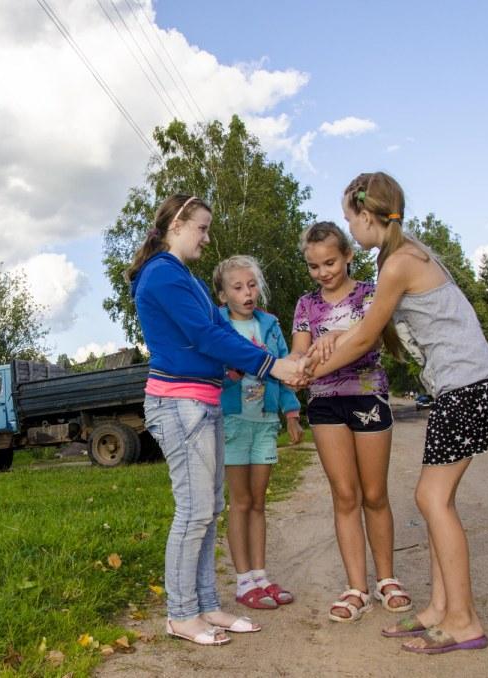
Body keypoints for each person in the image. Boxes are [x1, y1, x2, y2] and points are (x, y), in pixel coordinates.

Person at [307, 172, 488, 654]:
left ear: (367, 216)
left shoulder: (397, 264)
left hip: (467, 385)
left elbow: (366, 337)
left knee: (432, 499)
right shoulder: (404, 254)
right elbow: (365, 327)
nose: (351, 227)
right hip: (463, 386)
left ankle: (464, 620)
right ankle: (439, 610)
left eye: (350, 218)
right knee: (435, 499)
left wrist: (308, 372)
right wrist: (329, 341)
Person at [129, 194, 305, 646]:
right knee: (192, 511)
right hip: (179, 403)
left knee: (210, 509)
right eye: (202, 228)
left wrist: (261, 361)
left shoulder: (182, 276)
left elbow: (221, 332)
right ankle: (181, 613)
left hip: (203, 400)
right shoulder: (163, 274)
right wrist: (270, 367)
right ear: (178, 225)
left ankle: (206, 604)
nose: (207, 238)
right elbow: (203, 334)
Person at [291, 222, 412, 624]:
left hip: (367, 395)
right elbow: (300, 357)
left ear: (347, 256)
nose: (323, 272)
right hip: (325, 403)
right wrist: (303, 358)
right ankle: (356, 587)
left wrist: (339, 334)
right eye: (314, 266)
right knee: (345, 495)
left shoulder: (369, 293)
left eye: (330, 262)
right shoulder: (306, 305)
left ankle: (387, 579)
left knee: (374, 494)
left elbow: (373, 337)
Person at [212, 255, 302, 611]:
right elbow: (208, 367)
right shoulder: (216, 325)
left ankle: (261, 576)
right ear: (223, 295)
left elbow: (285, 366)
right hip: (233, 422)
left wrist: (291, 411)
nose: (247, 293)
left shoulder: (270, 324)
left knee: (259, 501)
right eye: (237, 287)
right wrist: (226, 375)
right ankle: (243, 581)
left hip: (265, 422)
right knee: (241, 501)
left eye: (251, 285)